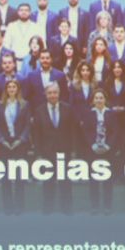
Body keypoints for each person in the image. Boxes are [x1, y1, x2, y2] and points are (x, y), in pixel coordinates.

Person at [35, 82, 77, 214]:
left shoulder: (68, 109)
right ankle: (48, 209)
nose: (52, 95)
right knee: (48, 181)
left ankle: (67, 209)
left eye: (55, 92)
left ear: (59, 94)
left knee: (65, 181)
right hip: (47, 151)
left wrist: (73, 150)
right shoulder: (39, 110)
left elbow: (73, 130)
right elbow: (36, 134)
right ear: (45, 94)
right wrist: (39, 152)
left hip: (64, 150)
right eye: (50, 93)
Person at [0, 77, 31, 214]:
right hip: (4, 143)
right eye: (9, 87)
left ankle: (19, 207)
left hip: (19, 143)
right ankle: (8, 207)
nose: (11, 89)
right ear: (6, 90)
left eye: (14, 87)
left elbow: (27, 125)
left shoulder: (24, 104)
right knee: (6, 177)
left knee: (19, 177)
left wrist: (20, 139)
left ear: (18, 89)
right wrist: (2, 140)